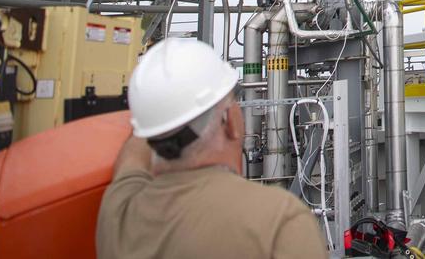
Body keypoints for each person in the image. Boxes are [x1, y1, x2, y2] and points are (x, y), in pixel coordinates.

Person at [96, 37, 328, 259]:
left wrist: (158, 99)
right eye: (233, 100)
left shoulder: (119, 215)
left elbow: (133, 156)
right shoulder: (279, 221)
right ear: (229, 122)